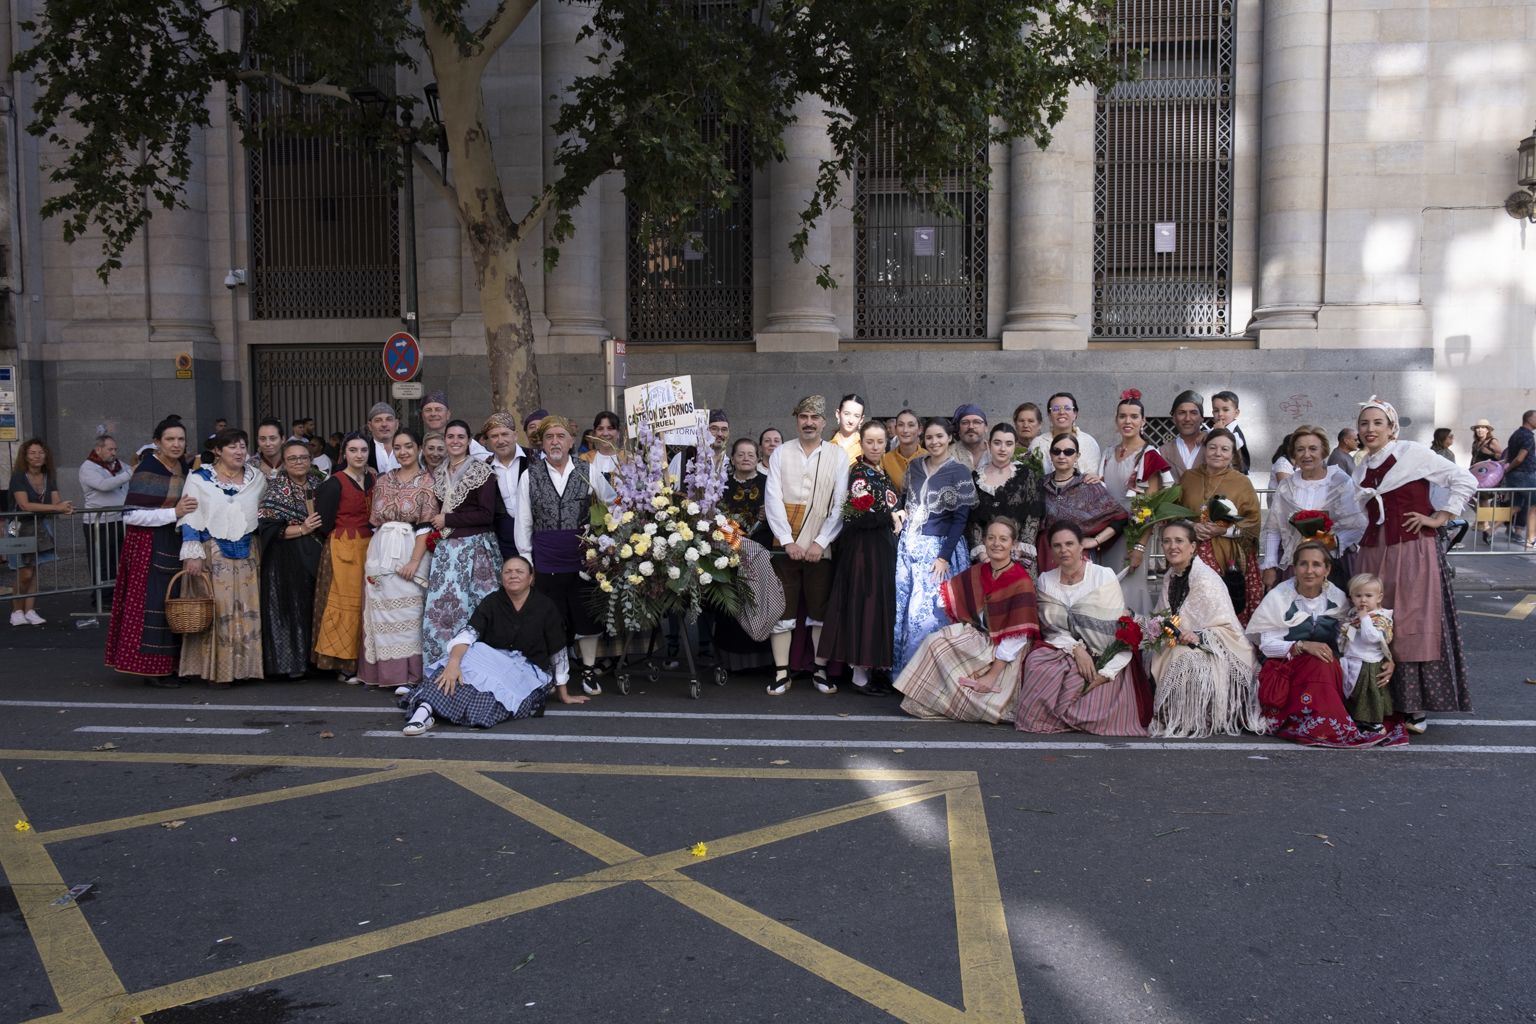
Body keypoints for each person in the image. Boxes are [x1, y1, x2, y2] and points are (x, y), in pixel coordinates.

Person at [1353, 396, 1477, 731]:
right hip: (1374, 550)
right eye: (1364, 423)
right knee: (1378, 618)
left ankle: (1414, 707)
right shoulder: (1361, 465)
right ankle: (1380, 701)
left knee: (1410, 619)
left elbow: (1464, 479)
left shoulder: (1412, 453)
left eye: (1378, 422)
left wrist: (1440, 517)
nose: (1370, 429)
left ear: (1392, 427)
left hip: (1411, 549)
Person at [401, 556, 588, 735]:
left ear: (531, 578)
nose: (513, 575)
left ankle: (430, 709)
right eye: (508, 572)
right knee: (461, 666)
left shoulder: (546, 606)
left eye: (519, 571)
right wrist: (453, 663)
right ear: (501, 577)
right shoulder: (492, 601)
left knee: (489, 688)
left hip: (527, 669)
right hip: (490, 658)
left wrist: (564, 694)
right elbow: (469, 633)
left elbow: (558, 650)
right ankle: (424, 710)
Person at [1245, 541, 1404, 747]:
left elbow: (1352, 639)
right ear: (1295, 567)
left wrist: (1387, 659)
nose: (1309, 571)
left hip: (1326, 664)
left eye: (1316, 564)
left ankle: (1333, 719)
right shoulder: (1279, 597)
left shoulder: (1337, 598)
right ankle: (1326, 724)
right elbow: (1267, 646)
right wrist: (1303, 645)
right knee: (1320, 663)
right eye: (1303, 564)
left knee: (1327, 663)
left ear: (1327, 569)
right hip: (1286, 665)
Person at [894, 517, 1040, 723]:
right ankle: (933, 700)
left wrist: (992, 675)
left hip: (1004, 649)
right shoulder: (979, 571)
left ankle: (965, 701)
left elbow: (1017, 637)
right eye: (991, 538)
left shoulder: (1020, 581)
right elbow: (948, 597)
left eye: (1003, 539)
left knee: (944, 648)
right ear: (985, 542)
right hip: (979, 636)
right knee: (935, 641)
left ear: (1013, 545)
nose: (996, 543)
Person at [1014, 523, 1150, 736]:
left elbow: (1116, 632)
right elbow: (1052, 630)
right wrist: (1077, 650)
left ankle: (1068, 713)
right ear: (1051, 549)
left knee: (1088, 697)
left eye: (1069, 544)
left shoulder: (1103, 576)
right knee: (1037, 663)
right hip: (1066, 648)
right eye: (1057, 545)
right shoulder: (1045, 580)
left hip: (1104, 653)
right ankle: (1045, 715)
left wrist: (1106, 673)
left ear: (1081, 547)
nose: (1063, 550)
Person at [762, 394, 849, 695]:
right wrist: (787, 541)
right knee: (783, 608)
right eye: (803, 417)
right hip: (783, 546)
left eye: (814, 418)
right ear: (796, 420)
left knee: (819, 608)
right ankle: (781, 672)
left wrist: (821, 541)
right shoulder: (781, 453)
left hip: (819, 547)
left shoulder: (837, 456)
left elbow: (841, 503)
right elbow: (772, 498)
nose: (808, 423)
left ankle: (820, 670)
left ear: (825, 422)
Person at [513, 415, 605, 695]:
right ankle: (557, 673)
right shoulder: (531, 474)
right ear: (541, 443)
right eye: (549, 437)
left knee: (587, 616)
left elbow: (610, 505)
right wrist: (527, 561)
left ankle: (588, 670)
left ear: (571, 441)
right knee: (554, 618)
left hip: (582, 558)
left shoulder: (588, 470)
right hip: (547, 558)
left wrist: (600, 545)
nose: (555, 441)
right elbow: (523, 521)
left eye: (560, 436)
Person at [1146, 520, 1262, 737]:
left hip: (1217, 647)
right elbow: (1163, 616)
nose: (1173, 546)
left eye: (1179, 541)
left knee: (1184, 659)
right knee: (1153, 653)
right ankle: (1171, 715)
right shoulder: (1172, 576)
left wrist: (1198, 635)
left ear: (1193, 546)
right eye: (1167, 541)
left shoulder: (1205, 579)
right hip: (1180, 641)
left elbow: (1226, 627)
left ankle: (1193, 719)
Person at [106, 418, 197, 684]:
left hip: (171, 540)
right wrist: (174, 512)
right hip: (147, 544)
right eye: (170, 439)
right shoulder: (147, 469)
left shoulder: (182, 466)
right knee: (151, 605)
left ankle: (171, 665)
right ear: (157, 442)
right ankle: (150, 669)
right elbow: (131, 515)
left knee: (171, 603)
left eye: (180, 439)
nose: (176, 444)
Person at [177, 427, 267, 686]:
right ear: (217, 451)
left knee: (248, 609)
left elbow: (265, 512)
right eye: (232, 446)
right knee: (219, 610)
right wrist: (192, 551)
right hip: (213, 550)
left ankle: (246, 668)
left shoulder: (257, 478)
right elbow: (190, 516)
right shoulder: (198, 478)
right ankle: (219, 670)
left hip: (249, 548)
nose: (239, 452)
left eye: (242, 446)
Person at [817, 421, 901, 693]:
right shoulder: (859, 474)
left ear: (887, 442)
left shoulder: (882, 472)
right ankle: (859, 673)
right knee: (863, 604)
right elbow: (857, 516)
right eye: (870, 442)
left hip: (881, 548)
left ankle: (871, 668)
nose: (876, 446)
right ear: (861, 444)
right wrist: (889, 516)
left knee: (877, 607)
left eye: (880, 442)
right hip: (863, 550)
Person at [359, 428, 440, 690]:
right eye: (398, 447)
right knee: (380, 610)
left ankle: (409, 674)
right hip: (382, 547)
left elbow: (426, 526)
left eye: (409, 446)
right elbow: (375, 521)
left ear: (418, 449)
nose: (403, 452)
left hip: (411, 547)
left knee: (409, 611)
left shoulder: (428, 480)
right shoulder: (383, 480)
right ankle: (382, 673)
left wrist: (414, 562)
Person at [893, 417, 975, 671]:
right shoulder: (915, 466)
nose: (934, 441)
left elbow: (960, 519)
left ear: (950, 437)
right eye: (929, 437)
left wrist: (944, 557)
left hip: (939, 550)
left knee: (928, 615)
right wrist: (899, 514)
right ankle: (904, 672)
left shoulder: (959, 471)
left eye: (940, 436)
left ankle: (929, 675)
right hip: (910, 546)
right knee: (905, 609)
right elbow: (907, 500)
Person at [422, 420, 503, 668]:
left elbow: (486, 514)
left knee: (475, 608)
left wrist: (448, 519)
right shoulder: (440, 472)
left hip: (475, 548)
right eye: (450, 437)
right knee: (445, 611)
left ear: (469, 441)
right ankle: (441, 667)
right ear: (445, 440)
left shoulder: (481, 471)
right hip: (448, 551)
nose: (455, 441)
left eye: (460, 437)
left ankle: (480, 667)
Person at [1259, 425, 1367, 592]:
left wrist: (1332, 541)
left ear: (1324, 451)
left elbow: (1357, 525)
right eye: (1300, 449)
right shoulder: (1286, 487)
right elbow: (1274, 529)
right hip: (1294, 565)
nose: (1306, 454)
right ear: (1294, 454)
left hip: (1333, 564)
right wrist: (1270, 565)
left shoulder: (1340, 482)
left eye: (1313, 449)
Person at [1174, 428, 1263, 624]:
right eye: (1212, 447)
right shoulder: (1189, 477)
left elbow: (1253, 522)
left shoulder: (1242, 482)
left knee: (1226, 609)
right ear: (1204, 450)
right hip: (1191, 552)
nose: (1217, 453)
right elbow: (1174, 512)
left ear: (1232, 454)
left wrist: (1224, 529)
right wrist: (1192, 527)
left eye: (1224, 449)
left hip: (1228, 555)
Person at [1097, 389, 1174, 614]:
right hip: (1107, 535)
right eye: (1123, 416)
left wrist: (1139, 546)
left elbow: (1147, 508)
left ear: (1143, 421)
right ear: (1116, 420)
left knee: (1130, 590)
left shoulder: (1149, 455)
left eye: (1133, 416)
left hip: (1132, 536)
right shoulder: (1108, 453)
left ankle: (1133, 643)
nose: (1127, 421)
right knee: (1106, 589)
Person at [256, 439, 324, 679]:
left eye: (303, 457)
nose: (299, 462)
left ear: (311, 460)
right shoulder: (276, 488)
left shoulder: (319, 483)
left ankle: (315, 661)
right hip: (285, 557)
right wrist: (303, 529)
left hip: (315, 554)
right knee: (289, 609)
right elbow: (268, 528)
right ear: (284, 463)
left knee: (313, 607)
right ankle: (290, 664)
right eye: (293, 458)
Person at [311, 432, 374, 682]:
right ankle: (342, 662)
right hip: (343, 545)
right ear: (344, 453)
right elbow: (324, 522)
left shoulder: (372, 478)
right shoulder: (334, 483)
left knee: (367, 602)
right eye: (353, 450)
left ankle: (363, 660)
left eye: (363, 450)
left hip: (370, 545)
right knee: (345, 602)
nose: (359, 455)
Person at [713, 438, 774, 673]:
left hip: (761, 552)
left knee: (758, 601)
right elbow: (716, 518)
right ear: (733, 458)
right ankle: (730, 662)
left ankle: (763, 660)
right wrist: (733, 541)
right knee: (730, 604)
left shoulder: (768, 483)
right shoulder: (723, 486)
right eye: (741, 454)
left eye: (750, 454)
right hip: (729, 552)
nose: (746, 458)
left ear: (758, 457)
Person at [1037, 432, 1125, 574]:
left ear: (1077, 456)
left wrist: (1095, 541)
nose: (1062, 456)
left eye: (1068, 452)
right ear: (1050, 455)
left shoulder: (1089, 485)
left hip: (1078, 556)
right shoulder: (1039, 485)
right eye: (1056, 451)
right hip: (1046, 554)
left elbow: (1120, 518)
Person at [8, 438, 73, 625]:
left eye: (40, 452)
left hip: (39, 525)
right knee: (23, 571)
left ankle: (29, 610)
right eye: (32, 453)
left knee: (35, 569)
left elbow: (57, 502)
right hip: (17, 526)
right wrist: (57, 508)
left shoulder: (48, 477)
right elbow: (24, 505)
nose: (37, 456)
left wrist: (65, 507)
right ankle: (16, 610)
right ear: (25, 457)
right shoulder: (18, 477)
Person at [968, 422, 1044, 574]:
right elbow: (972, 520)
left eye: (1008, 444)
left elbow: (1033, 515)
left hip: (1018, 554)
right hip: (987, 555)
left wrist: (1021, 547)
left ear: (1015, 446)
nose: (1003, 449)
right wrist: (982, 553)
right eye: (997, 443)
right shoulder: (975, 478)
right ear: (988, 445)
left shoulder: (1025, 474)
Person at [78, 433, 133, 598]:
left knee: (119, 560)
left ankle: (118, 595)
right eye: (110, 449)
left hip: (119, 519)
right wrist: (130, 473)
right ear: (99, 449)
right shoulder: (88, 467)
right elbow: (104, 485)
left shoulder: (119, 465)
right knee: (101, 561)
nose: (114, 453)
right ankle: (102, 597)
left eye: (115, 449)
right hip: (98, 522)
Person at [1341, 573, 1395, 733]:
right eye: (1358, 596)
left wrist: (1364, 618)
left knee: (1370, 695)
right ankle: (1360, 720)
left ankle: (1375, 723)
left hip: (1369, 662)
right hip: (1354, 659)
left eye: (1368, 595)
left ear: (1379, 597)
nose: (1363, 600)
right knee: (1356, 693)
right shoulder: (1353, 613)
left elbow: (1371, 638)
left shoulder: (1380, 617)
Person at [483, 412, 528, 560]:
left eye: (504, 434)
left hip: (536, 536)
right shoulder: (484, 469)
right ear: (488, 441)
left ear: (515, 435)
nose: (500, 440)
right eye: (494, 436)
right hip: (503, 541)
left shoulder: (535, 459)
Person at [1028, 393, 1102, 472]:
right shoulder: (1038, 443)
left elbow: (1093, 475)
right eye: (1055, 409)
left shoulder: (1089, 442)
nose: (1061, 412)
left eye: (1067, 408)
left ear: (1075, 414)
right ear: (1049, 415)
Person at [421, 392, 490, 457]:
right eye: (428, 410)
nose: (433, 414)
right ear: (422, 415)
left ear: (448, 414)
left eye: (438, 409)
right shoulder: (421, 445)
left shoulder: (466, 443)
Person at [1504, 409, 1536, 549]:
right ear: (1529, 419)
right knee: (1534, 506)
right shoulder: (1528, 436)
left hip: (1515, 476)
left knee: (1516, 506)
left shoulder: (1515, 434)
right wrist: (1509, 468)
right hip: (1525, 474)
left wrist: (1508, 470)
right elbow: (1519, 458)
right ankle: (1531, 539)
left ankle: (1490, 530)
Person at [1159, 390, 1207, 481]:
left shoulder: (1213, 447)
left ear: (1201, 418)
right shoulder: (1163, 452)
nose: (1187, 418)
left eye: (1193, 413)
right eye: (1182, 413)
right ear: (1174, 418)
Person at [881, 409, 922, 492]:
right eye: (901, 425)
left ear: (920, 430)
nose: (905, 430)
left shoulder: (928, 458)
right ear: (896, 429)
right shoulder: (885, 460)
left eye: (911, 425)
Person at [1210, 390, 1251, 474]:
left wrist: (1221, 431)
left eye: (1225, 410)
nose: (1220, 414)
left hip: (1237, 474)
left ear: (1236, 413)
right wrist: (1204, 433)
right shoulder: (1219, 428)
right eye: (1216, 410)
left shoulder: (1235, 433)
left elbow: (1236, 445)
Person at [364, 402, 400, 474]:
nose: (384, 424)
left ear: (396, 424)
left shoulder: (409, 450)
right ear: (370, 426)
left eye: (389, 419)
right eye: (378, 420)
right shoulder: (363, 452)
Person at [830, 394, 866, 464]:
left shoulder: (866, 447)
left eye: (856, 416)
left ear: (861, 419)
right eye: (847, 414)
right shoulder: (826, 447)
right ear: (838, 414)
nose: (851, 421)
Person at [951, 403, 988, 471]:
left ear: (986, 428)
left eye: (977, 422)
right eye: (965, 423)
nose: (971, 426)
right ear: (958, 428)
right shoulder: (948, 454)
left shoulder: (995, 451)